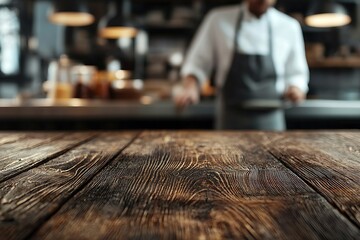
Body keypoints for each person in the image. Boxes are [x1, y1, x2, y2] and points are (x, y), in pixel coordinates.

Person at [174, 0, 309, 130]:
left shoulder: (289, 26)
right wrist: (190, 87)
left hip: (271, 120)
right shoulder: (217, 19)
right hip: (230, 118)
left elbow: (297, 73)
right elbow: (197, 63)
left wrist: (296, 88)